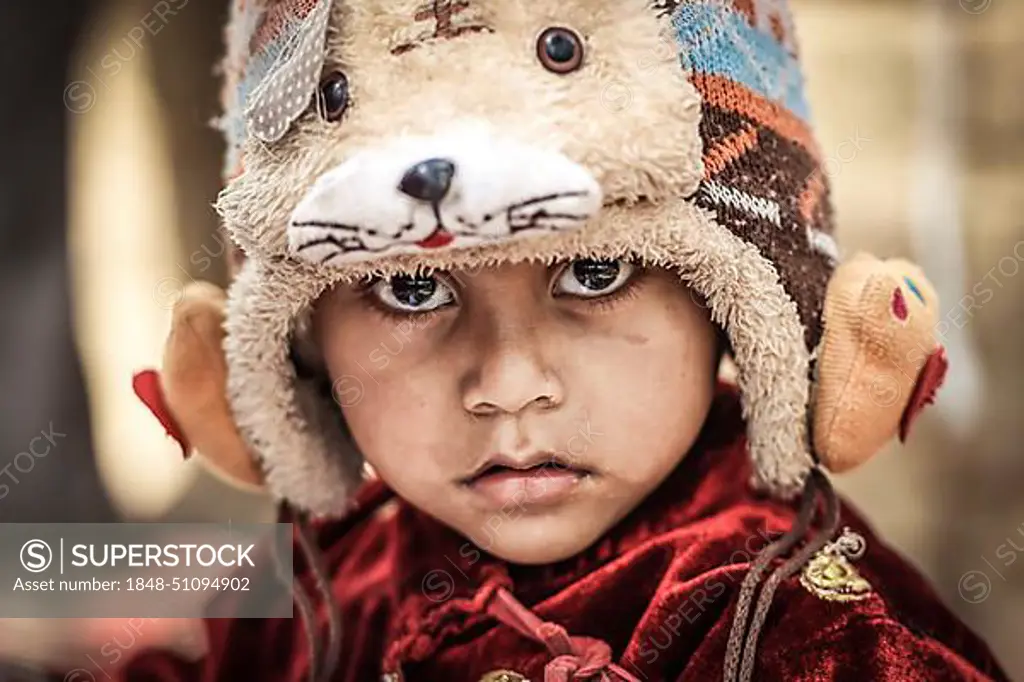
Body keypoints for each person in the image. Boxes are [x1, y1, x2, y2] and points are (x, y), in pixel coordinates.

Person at [119, 0, 1010, 680]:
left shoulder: (797, 630)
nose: (509, 383)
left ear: (739, 304)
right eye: (412, 286)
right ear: (299, 345)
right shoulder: (324, 566)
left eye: (596, 274)